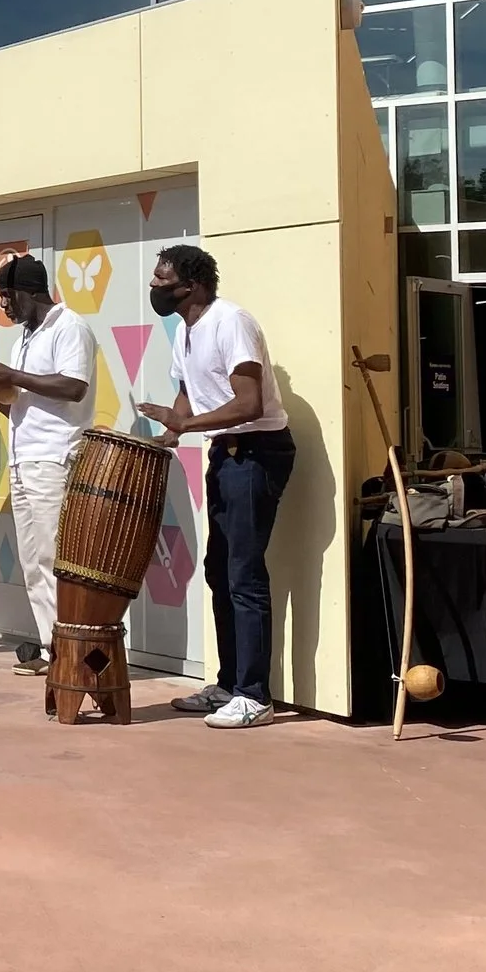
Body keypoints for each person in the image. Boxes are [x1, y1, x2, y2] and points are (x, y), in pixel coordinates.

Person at [135, 244, 293, 730]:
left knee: (244, 574)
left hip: (256, 452)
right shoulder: (185, 330)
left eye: (162, 280)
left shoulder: (231, 322)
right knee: (219, 570)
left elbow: (248, 404)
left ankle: (254, 694)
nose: (154, 288)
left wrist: (188, 426)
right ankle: (228, 685)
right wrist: (170, 428)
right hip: (226, 454)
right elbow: (187, 396)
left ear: (193, 284)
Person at [0, 255, 94, 679]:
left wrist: (15, 375)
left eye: (8, 298)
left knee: (54, 555)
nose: (6, 308)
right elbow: (17, 408)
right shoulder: (25, 336)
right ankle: (49, 645)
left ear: (29, 292)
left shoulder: (69, 326)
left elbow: (74, 387)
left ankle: (71, 648)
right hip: (23, 457)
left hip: (55, 457)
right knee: (33, 560)